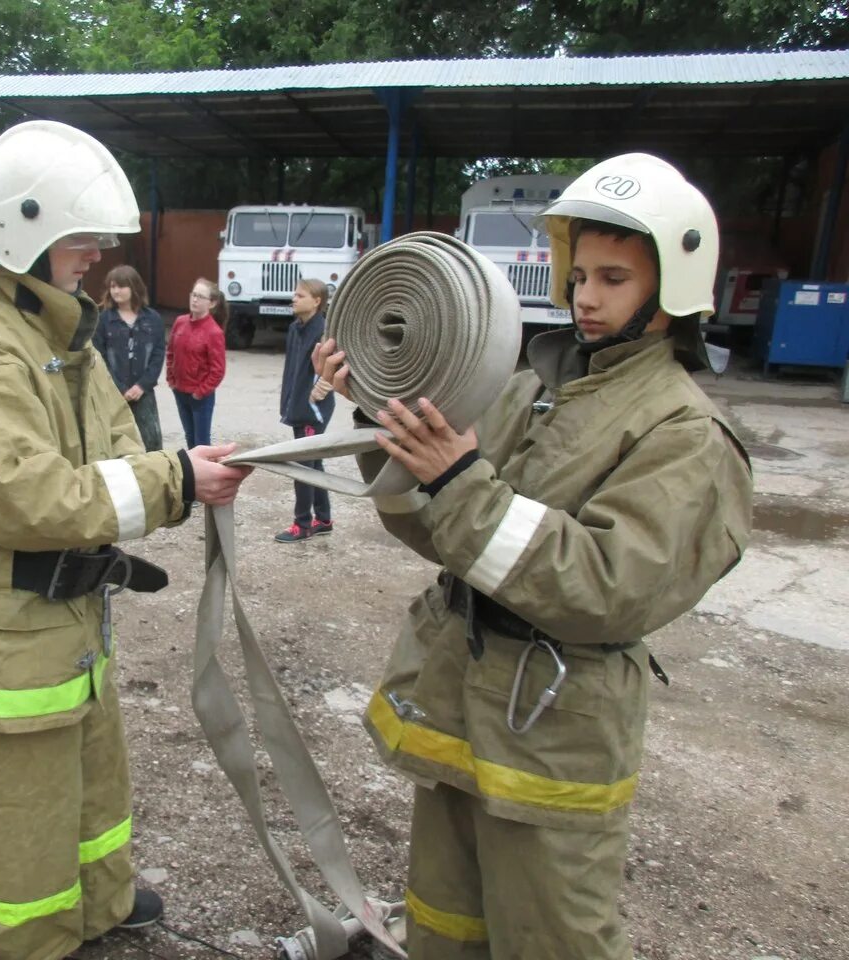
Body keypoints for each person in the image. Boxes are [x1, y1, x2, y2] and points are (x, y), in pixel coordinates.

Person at [313, 153, 752, 960]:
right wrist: (378, 408)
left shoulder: (685, 434)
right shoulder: (532, 387)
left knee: (550, 941)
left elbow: (609, 588)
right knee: (445, 927)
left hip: (553, 737)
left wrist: (461, 481)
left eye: (614, 278)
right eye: (579, 272)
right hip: (462, 706)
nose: (585, 296)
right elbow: (438, 531)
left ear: (674, 288)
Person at [0, 120, 250, 960]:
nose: (94, 253)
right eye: (79, 236)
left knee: (93, 771)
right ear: (26, 232)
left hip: (64, 611)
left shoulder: (59, 337)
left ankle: (100, 902)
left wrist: (175, 465)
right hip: (10, 619)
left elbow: (115, 444)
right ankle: (27, 943)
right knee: (27, 800)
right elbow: (32, 499)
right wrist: (175, 483)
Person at [274, 278, 335, 543]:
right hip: (297, 405)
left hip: (313, 410)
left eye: (300, 295)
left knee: (303, 466)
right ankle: (324, 519)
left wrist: (320, 391)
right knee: (314, 463)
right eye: (294, 294)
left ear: (317, 301)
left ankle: (303, 524)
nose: (293, 298)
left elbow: (337, 365)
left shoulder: (324, 332)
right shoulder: (294, 328)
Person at [92, 265, 166, 451]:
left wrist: (142, 386)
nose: (116, 291)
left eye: (121, 286)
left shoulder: (153, 319)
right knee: (111, 441)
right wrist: (120, 388)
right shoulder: (104, 320)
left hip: (143, 391)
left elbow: (158, 355)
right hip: (113, 392)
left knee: (154, 441)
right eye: (112, 286)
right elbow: (99, 357)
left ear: (134, 287)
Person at [165, 277, 226, 448]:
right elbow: (170, 352)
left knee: (201, 441)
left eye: (200, 296)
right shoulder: (180, 322)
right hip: (180, 390)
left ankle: (206, 472)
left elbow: (218, 370)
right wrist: (171, 379)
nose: (195, 299)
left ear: (211, 303)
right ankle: (194, 471)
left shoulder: (214, 332)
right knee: (189, 436)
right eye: (193, 294)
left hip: (200, 396)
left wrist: (200, 392)